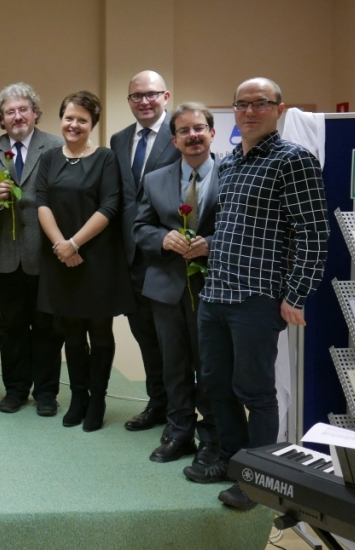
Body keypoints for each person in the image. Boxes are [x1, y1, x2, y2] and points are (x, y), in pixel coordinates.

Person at [199, 78, 329, 509]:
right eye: (242, 104)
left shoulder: (294, 160)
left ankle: (259, 480)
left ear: (279, 109)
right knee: (216, 385)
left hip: (258, 297)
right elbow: (231, 227)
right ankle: (233, 462)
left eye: (261, 103)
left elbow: (313, 233)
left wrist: (297, 294)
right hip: (216, 293)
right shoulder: (229, 163)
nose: (250, 111)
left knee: (255, 391)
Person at [36, 91, 135, 432]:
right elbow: (41, 202)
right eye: (69, 118)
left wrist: (75, 243)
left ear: (92, 124)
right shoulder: (49, 158)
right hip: (60, 259)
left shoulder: (105, 158)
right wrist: (61, 245)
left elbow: (109, 205)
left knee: (100, 332)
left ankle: (97, 400)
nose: (74, 125)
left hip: (97, 259)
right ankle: (78, 397)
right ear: (60, 119)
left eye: (82, 120)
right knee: (72, 333)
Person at [133, 102, 220, 470]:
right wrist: (162, 239)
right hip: (166, 287)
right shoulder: (155, 180)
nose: (193, 136)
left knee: (211, 365)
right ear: (174, 140)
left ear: (212, 133)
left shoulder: (233, 175)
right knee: (174, 364)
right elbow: (140, 228)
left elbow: (244, 229)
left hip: (215, 287)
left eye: (199, 128)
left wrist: (211, 244)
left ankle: (212, 436)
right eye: (184, 131)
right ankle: (179, 431)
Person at [0, 83, 64, 416]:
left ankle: (46, 393)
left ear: (35, 113)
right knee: (11, 327)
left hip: (45, 253)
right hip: (4, 254)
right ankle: (15, 389)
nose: (17, 117)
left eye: (23, 110)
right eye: (9, 112)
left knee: (47, 326)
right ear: (1, 118)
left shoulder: (55, 147)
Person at [109, 70, 181, 434]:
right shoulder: (119, 139)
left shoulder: (180, 134)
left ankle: (180, 414)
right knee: (146, 338)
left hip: (168, 256)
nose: (144, 101)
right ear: (129, 101)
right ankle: (157, 404)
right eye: (137, 96)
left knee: (174, 343)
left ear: (165, 96)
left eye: (152, 94)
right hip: (131, 258)